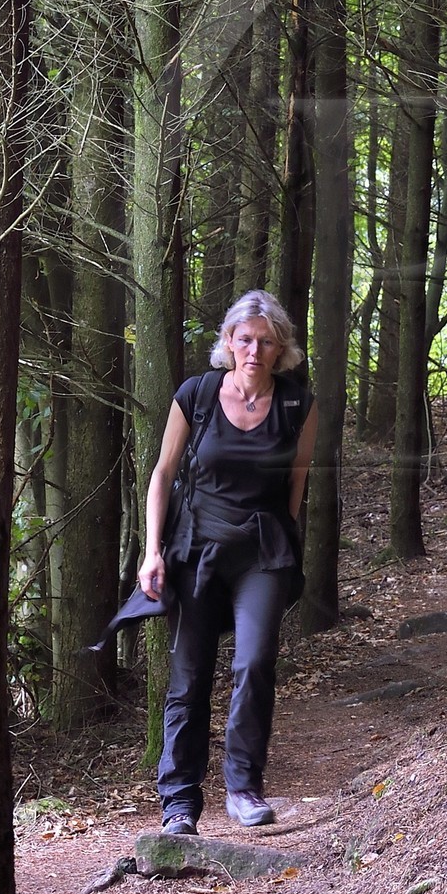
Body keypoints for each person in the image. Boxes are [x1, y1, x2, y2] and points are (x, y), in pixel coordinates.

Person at [139, 290, 317, 835]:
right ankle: (179, 804)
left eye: (266, 342)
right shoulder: (196, 395)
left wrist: (283, 542)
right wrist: (152, 552)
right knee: (189, 676)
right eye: (245, 339)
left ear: (281, 349)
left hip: (262, 552)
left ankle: (242, 787)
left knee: (255, 661)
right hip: (196, 550)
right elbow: (163, 475)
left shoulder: (297, 404)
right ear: (228, 342)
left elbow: (297, 482)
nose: (255, 350)